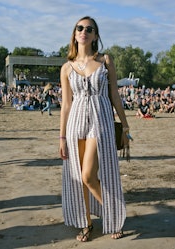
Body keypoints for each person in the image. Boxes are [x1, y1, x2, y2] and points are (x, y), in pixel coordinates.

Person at [59, 16, 129, 242]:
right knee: (79, 178)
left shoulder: (105, 60)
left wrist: (125, 125)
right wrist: (61, 136)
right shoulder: (66, 67)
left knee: (88, 175)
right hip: (75, 121)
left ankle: (114, 214)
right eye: (80, 28)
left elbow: (114, 95)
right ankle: (87, 223)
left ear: (96, 36)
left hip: (101, 119)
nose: (84, 31)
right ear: (75, 33)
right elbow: (66, 104)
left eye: (89, 29)